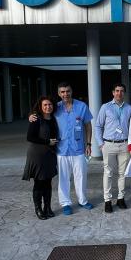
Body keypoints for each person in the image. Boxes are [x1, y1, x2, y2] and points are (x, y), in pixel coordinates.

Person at [31, 82, 94, 216]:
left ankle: (82, 200)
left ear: (71, 91)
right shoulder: (55, 108)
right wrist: (31, 116)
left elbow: (88, 126)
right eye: (63, 92)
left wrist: (88, 144)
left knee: (81, 176)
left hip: (78, 149)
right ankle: (65, 203)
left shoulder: (81, 106)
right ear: (59, 94)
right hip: (61, 150)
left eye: (68, 91)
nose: (65, 94)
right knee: (64, 178)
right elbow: (42, 113)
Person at [93, 83, 131, 213]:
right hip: (108, 144)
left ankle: (121, 198)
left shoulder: (129, 108)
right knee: (108, 173)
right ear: (113, 92)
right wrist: (100, 143)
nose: (119, 93)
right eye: (117, 91)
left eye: (122, 91)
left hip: (124, 144)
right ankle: (107, 200)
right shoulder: (105, 107)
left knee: (122, 173)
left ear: (124, 93)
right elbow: (98, 126)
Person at [22, 96, 59, 220]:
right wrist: (47, 142)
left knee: (48, 182)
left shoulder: (53, 118)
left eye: (50, 105)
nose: (48, 107)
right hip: (37, 155)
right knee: (39, 183)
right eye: (45, 105)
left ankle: (47, 208)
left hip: (49, 155)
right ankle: (38, 209)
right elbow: (30, 137)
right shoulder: (36, 119)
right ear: (40, 107)